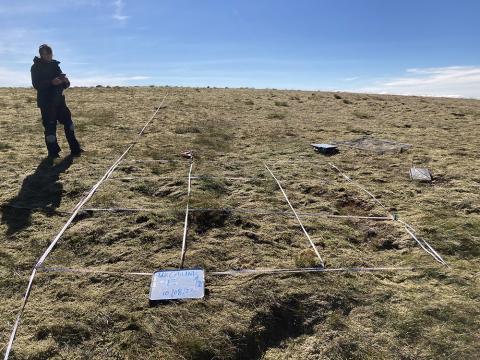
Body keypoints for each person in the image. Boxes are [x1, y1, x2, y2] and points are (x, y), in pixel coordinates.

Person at [31, 44, 82, 158]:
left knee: (69, 124)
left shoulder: (55, 65)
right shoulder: (35, 67)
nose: (47, 55)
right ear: (41, 55)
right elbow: (36, 84)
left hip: (59, 101)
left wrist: (65, 81)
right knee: (50, 129)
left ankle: (75, 149)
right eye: (44, 53)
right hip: (46, 103)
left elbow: (64, 85)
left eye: (48, 53)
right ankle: (53, 154)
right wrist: (51, 82)